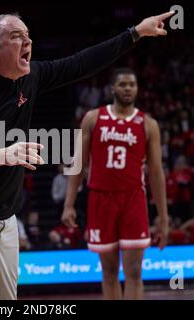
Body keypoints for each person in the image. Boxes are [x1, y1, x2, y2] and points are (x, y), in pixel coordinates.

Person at [0, 12, 174, 300]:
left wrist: (135, 33)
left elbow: (81, 63)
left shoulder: (29, 77)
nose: (28, 41)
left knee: (6, 301)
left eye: (27, 34)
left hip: (4, 214)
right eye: (16, 36)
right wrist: (2, 154)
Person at [61, 68, 169, 299]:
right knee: (109, 272)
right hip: (100, 199)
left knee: (134, 271)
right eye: (123, 84)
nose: (128, 88)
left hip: (133, 199)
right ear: (112, 88)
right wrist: (68, 204)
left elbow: (156, 173)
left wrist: (164, 218)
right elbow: (78, 164)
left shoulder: (148, 124)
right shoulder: (93, 118)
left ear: (138, 89)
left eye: (132, 84)